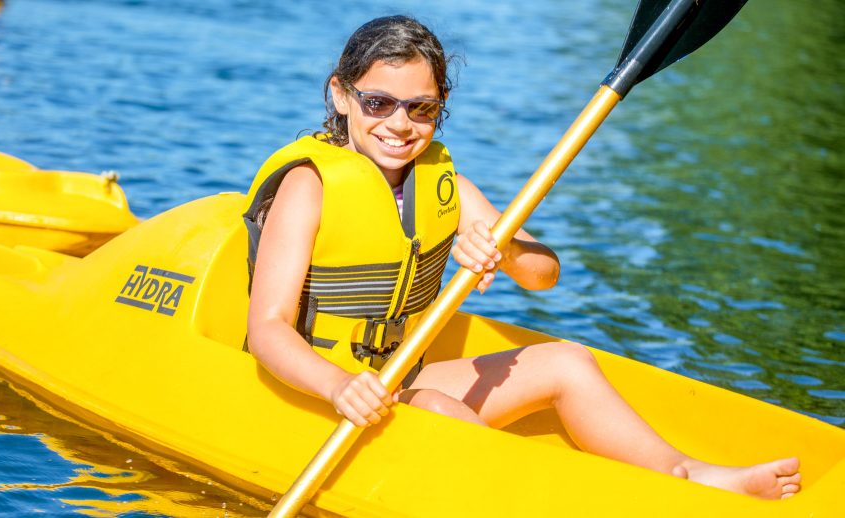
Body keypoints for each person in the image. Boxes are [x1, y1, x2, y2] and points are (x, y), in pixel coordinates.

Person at [243, 15, 800, 500]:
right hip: (323, 389)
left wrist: (503, 249)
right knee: (438, 411)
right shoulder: (309, 186)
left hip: (397, 374)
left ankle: (686, 475)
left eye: (421, 108)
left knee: (566, 361)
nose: (399, 124)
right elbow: (267, 328)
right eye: (378, 103)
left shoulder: (446, 187)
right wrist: (339, 386)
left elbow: (544, 276)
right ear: (341, 95)